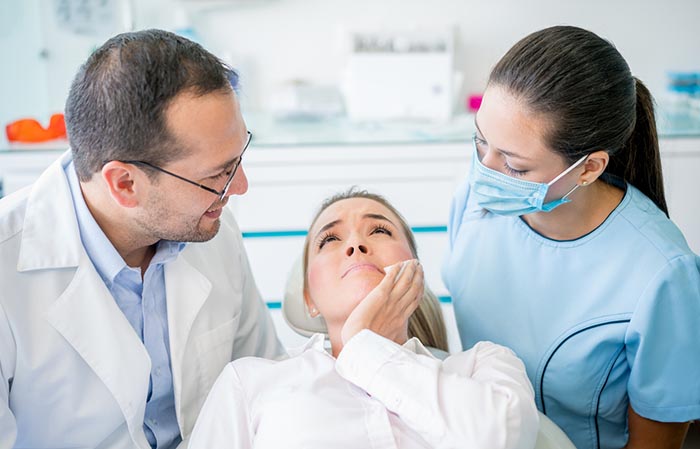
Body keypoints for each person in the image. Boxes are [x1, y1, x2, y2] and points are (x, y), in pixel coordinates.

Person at [0, 30, 285, 449]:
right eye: (217, 175)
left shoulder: (211, 231)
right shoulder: (8, 270)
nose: (239, 186)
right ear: (125, 183)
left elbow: (268, 389)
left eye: (237, 158)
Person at [442, 25, 700, 449]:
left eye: (514, 166)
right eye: (480, 141)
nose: (484, 171)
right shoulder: (471, 203)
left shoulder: (663, 275)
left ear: (588, 168)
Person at [188, 189, 540, 449]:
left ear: (415, 271)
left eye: (380, 231)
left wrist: (363, 349)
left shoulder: (485, 366)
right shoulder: (248, 383)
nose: (355, 244)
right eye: (330, 239)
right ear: (309, 299)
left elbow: (501, 441)